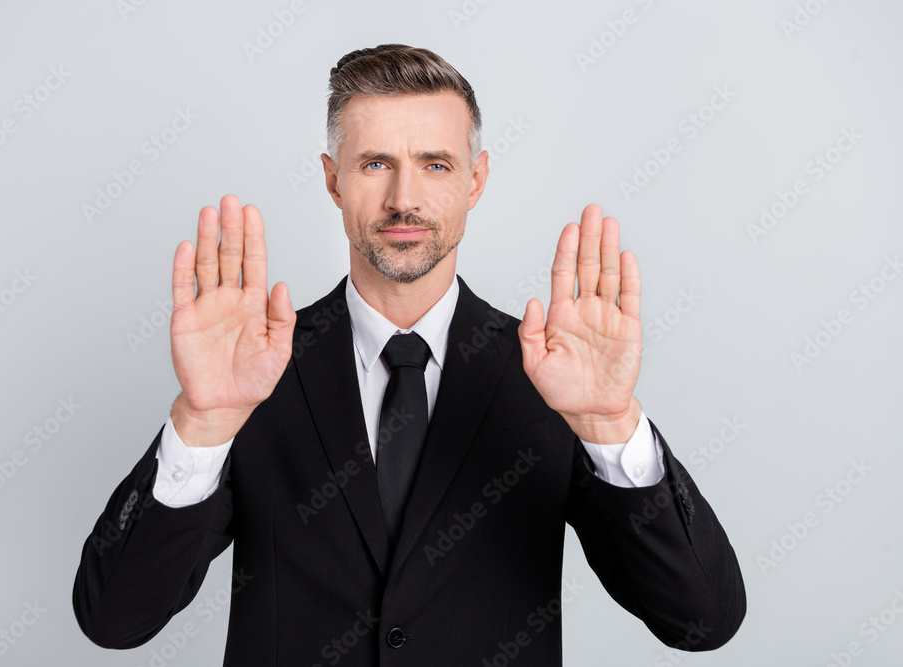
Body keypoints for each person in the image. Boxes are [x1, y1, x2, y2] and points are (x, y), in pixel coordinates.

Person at [73, 44, 745, 665]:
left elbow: (702, 620)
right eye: (375, 164)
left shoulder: (552, 378)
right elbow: (114, 618)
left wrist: (611, 425)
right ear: (334, 181)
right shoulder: (253, 370)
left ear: (475, 180)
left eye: (435, 164)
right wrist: (202, 420)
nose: (404, 199)